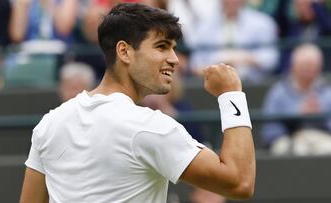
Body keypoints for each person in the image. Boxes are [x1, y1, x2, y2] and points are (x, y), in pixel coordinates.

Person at [20, 3, 255, 203]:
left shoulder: (50, 123)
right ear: (124, 52)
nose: (173, 60)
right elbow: (240, 182)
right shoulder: (150, 127)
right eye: (162, 46)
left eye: (174, 48)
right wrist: (231, 94)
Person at [262, 43, 331, 155]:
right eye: (303, 65)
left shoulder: (328, 92)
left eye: (311, 65)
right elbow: (270, 131)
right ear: (293, 65)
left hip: (321, 138)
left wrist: (319, 116)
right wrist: (298, 114)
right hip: (288, 139)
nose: (307, 69)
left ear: (319, 67)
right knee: (296, 149)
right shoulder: (278, 92)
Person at [188, 0, 278, 83]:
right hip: (214, 85)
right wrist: (219, 64)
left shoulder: (263, 23)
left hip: (253, 85)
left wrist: (243, 58)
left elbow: (271, 60)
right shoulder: (203, 26)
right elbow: (195, 65)